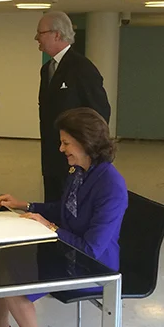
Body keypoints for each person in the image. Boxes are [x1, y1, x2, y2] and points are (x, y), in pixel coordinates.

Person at [0, 108, 128, 327]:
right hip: (67, 251)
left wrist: (50, 227)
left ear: (85, 142)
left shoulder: (110, 186)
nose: (61, 149)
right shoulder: (80, 172)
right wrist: (25, 205)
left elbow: (91, 249)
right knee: (2, 258)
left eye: (66, 143)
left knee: (14, 282)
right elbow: (66, 209)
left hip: (92, 266)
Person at [36, 11, 111, 202]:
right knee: (53, 202)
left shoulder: (82, 68)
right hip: (52, 154)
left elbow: (100, 112)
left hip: (75, 155)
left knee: (72, 206)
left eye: (40, 33)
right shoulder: (47, 69)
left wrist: (86, 150)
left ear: (57, 34)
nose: (37, 38)